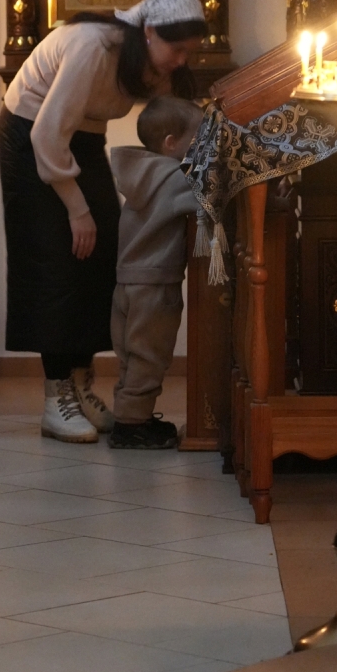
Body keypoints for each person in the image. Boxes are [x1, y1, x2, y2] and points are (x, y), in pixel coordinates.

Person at [0, 0, 207, 443]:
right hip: (33, 136)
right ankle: (57, 397)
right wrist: (77, 210)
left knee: (101, 255)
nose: (181, 61)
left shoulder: (144, 59)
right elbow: (47, 136)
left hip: (83, 137)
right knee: (56, 260)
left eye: (189, 53)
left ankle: (80, 384)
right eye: (177, 49)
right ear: (149, 32)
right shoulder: (93, 46)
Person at [109, 95, 204, 449]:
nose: (204, 147)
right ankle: (131, 427)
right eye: (199, 139)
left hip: (127, 283)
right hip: (154, 285)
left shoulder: (141, 174)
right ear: (171, 143)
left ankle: (129, 416)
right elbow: (212, 198)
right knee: (150, 357)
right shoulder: (175, 179)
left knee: (131, 357)